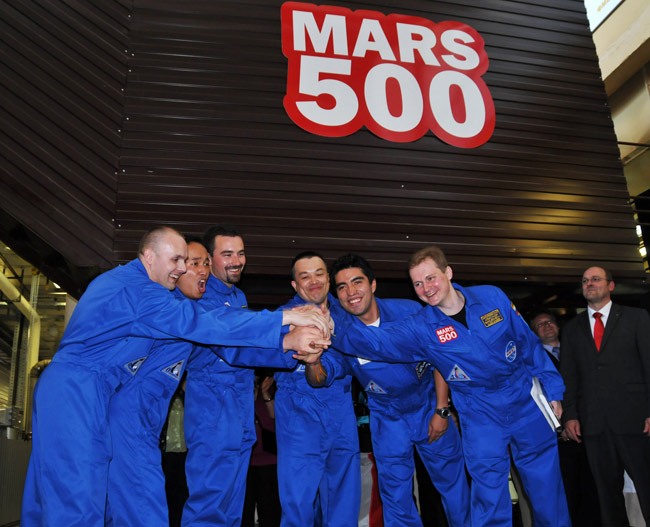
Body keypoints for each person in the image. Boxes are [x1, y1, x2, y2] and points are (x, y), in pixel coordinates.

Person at [21, 226, 331, 527]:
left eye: (196, 262)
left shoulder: (164, 306)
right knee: (79, 496)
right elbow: (207, 325)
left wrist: (289, 344)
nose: (187, 269)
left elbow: (226, 345)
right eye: (182, 261)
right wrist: (286, 318)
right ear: (149, 257)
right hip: (81, 394)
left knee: (72, 496)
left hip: (113, 405)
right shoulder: (144, 293)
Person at [331, 246, 570, 527]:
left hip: (525, 403)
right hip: (480, 415)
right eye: (417, 284)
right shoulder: (421, 327)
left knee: (547, 492)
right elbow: (376, 343)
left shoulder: (491, 296)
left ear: (448, 272)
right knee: (489, 500)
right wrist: (328, 323)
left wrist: (553, 389)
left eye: (430, 278)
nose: (426, 288)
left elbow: (528, 344)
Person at [305, 253, 470, 527]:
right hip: (387, 418)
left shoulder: (409, 312)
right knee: (396, 499)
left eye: (357, 282)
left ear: (372, 285)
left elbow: (440, 359)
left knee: (455, 489)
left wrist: (442, 408)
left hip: (429, 408)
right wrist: (313, 362)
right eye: (342, 287)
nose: (350, 292)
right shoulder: (340, 332)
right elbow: (321, 377)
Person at [182, 225, 321, 527]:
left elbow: (251, 341)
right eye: (227, 254)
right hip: (212, 415)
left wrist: (300, 341)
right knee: (210, 504)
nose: (236, 261)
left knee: (233, 507)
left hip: (240, 414)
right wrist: (289, 343)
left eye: (241, 253)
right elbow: (235, 349)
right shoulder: (202, 297)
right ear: (208, 258)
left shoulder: (238, 295)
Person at [274, 251, 361, 527]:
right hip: (299, 418)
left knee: (344, 506)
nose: (314, 281)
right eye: (305, 276)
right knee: (298, 507)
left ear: (329, 278)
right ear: (295, 285)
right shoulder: (282, 319)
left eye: (319, 273)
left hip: (342, 415)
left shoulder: (348, 314)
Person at [560, 266, 650, 526]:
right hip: (594, 425)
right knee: (606, 495)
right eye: (585, 280)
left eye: (595, 279)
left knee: (646, 486)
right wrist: (571, 416)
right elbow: (569, 376)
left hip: (635, 421)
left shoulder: (637, 317)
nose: (589, 283)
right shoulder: (573, 328)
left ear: (611, 285)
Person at [528, 310, 601, 527]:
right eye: (540, 325)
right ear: (533, 333)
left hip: (590, 429)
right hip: (557, 436)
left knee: (594, 488)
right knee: (567, 490)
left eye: (549, 322)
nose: (546, 326)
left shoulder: (577, 350)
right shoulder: (533, 360)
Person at [241, 372, 282, 527]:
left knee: (270, 513)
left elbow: (274, 416)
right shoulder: (239, 398)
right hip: (245, 464)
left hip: (269, 462)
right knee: (244, 512)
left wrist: (264, 393)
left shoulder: (269, 395)